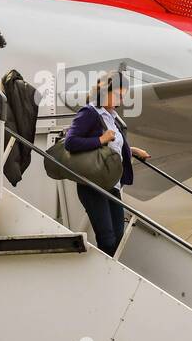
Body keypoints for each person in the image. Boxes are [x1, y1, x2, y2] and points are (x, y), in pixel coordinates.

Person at [64, 72, 150, 257]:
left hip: (113, 185)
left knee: (118, 238)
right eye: (118, 95)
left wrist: (132, 150)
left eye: (123, 96)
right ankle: (102, 277)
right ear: (104, 91)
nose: (121, 100)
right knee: (108, 238)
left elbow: (113, 145)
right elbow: (70, 142)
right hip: (93, 184)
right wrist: (101, 138)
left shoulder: (112, 117)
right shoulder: (90, 112)